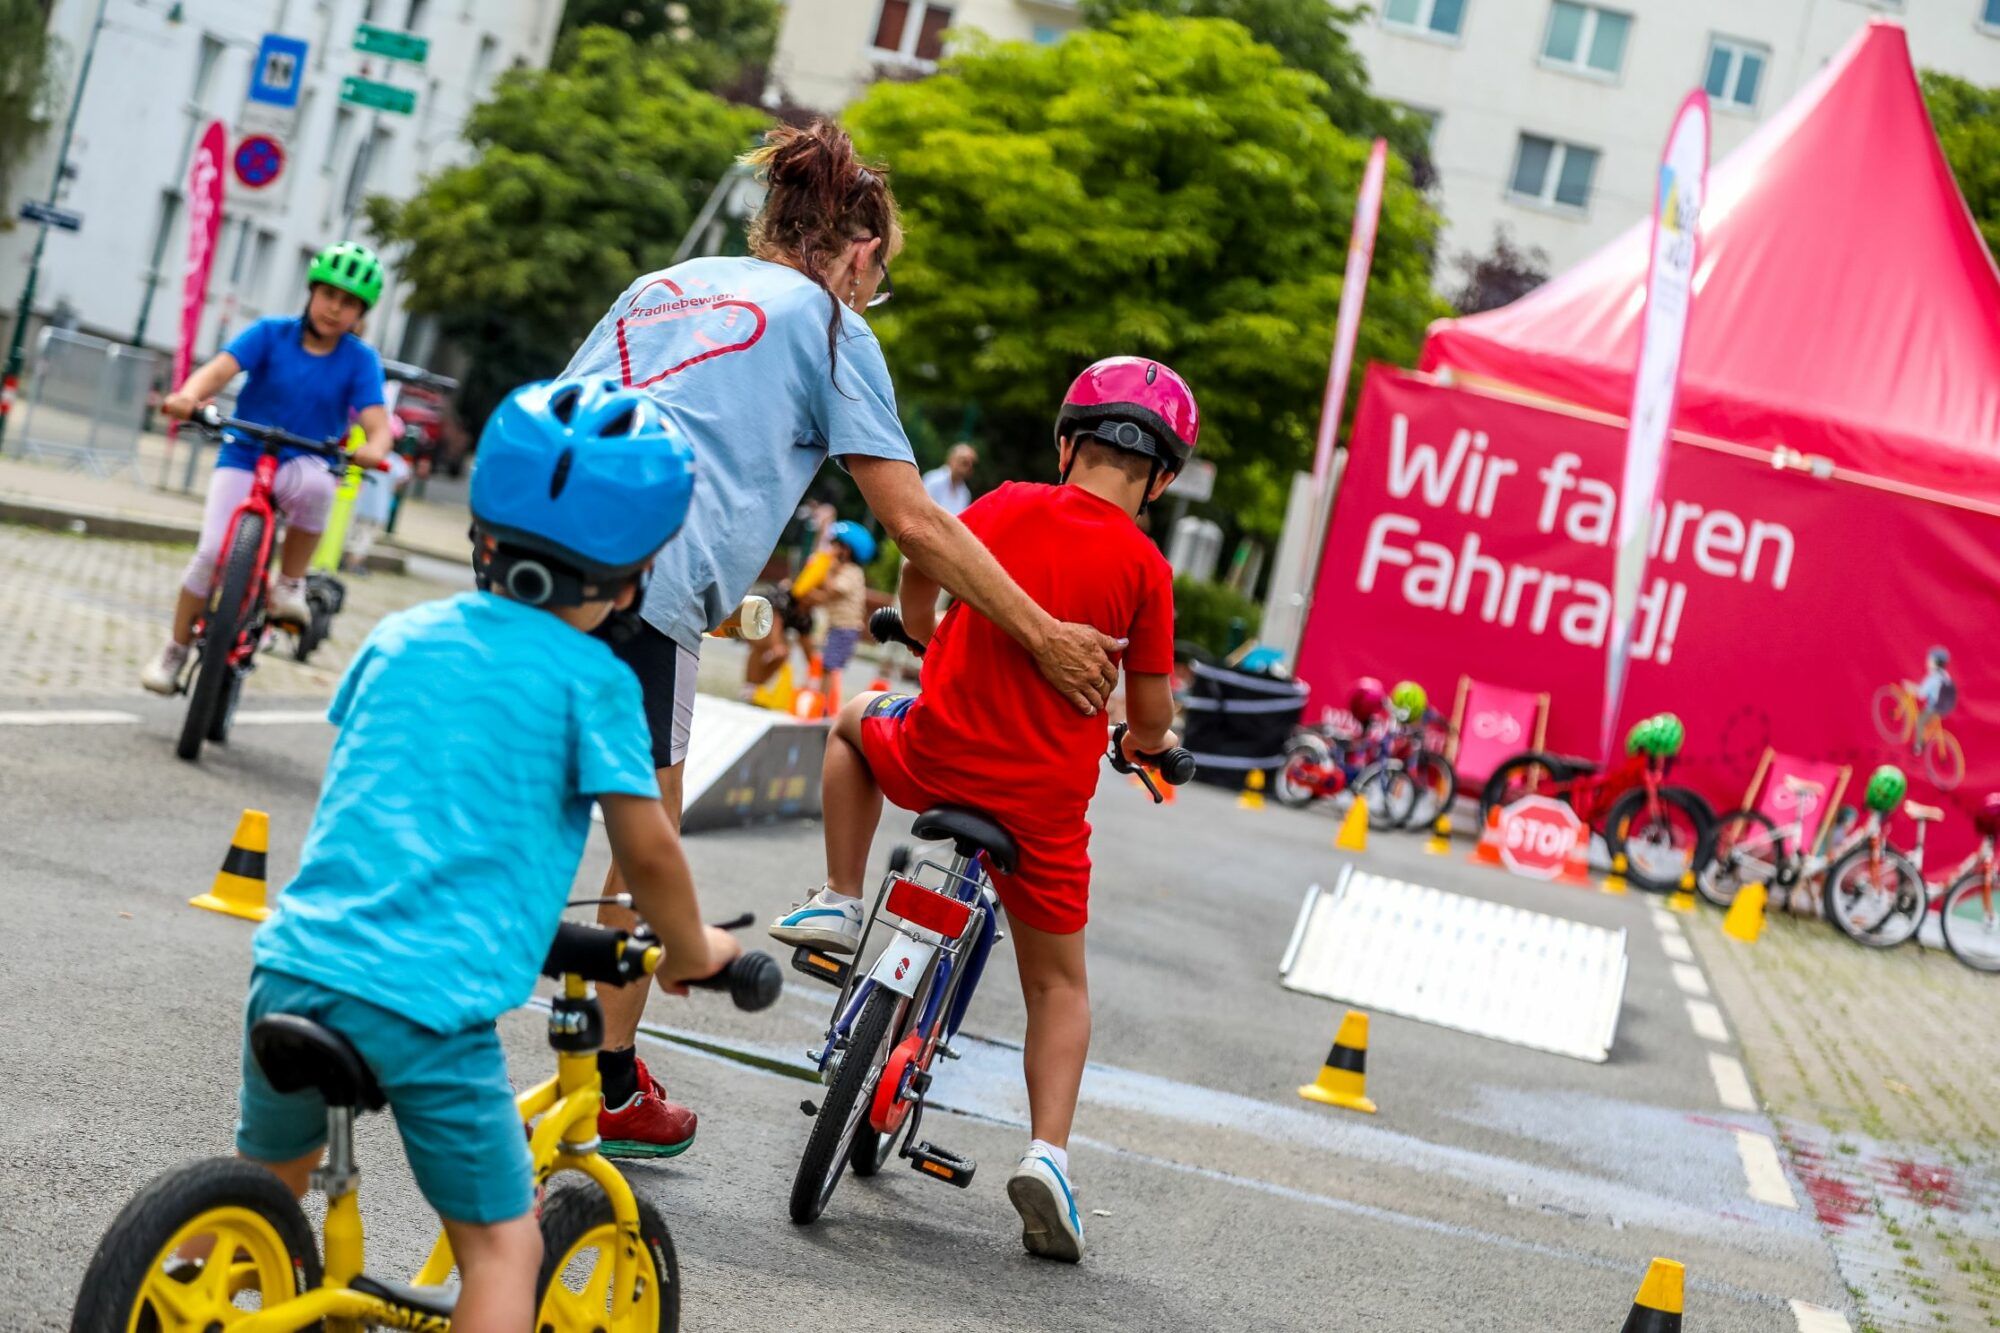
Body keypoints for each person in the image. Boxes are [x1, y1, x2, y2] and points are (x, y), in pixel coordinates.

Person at [555, 119, 1125, 1158]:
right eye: (879, 280)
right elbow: (913, 520)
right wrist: (1043, 636)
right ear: (857, 255)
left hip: (530, 551)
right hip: (648, 581)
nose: (871, 298)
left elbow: (560, 408)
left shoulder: (661, 285)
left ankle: (593, 1064)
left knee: (527, 798)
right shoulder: (828, 326)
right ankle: (596, 1086)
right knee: (640, 850)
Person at [228, 378, 738, 1331]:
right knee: (506, 1245)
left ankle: (196, 1278)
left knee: (267, 1189)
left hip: (293, 968)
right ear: (632, 583)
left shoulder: (399, 636)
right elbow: (649, 848)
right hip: (425, 1007)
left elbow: (387, 786)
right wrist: (698, 947)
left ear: (481, 536)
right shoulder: (597, 683)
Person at [771, 356, 1199, 1263]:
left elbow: (922, 562)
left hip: (934, 755)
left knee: (849, 731)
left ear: (1066, 441)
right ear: (1161, 477)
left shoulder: (1001, 505)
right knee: (1059, 986)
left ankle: (842, 900)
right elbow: (1152, 715)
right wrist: (1150, 746)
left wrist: (925, 630)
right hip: (1040, 811)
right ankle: (1047, 1156)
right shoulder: (1147, 569)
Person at [142, 242, 395, 694]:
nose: (335, 309)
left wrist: (374, 447)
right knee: (208, 555)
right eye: (329, 295)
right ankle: (175, 650)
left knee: (320, 486)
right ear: (312, 292)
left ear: (361, 313)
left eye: (349, 303)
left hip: (303, 461)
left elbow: (377, 422)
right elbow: (219, 371)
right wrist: (187, 396)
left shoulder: (360, 360)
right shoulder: (270, 333)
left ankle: (289, 586)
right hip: (243, 454)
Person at [799, 518, 875, 709]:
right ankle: (823, 704)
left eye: (836, 545)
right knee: (828, 665)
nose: (831, 548)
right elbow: (823, 596)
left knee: (830, 667)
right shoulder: (840, 569)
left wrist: (826, 569)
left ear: (847, 550)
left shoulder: (852, 572)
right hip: (837, 627)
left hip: (846, 628)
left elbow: (832, 591)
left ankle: (824, 707)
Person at [1914, 645, 1956, 756]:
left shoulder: (1932, 678)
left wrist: (1911, 687)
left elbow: (1921, 694)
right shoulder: (1946, 675)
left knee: (1920, 720)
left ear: (1934, 663)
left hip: (1934, 708)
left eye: (1929, 660)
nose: (1927, 662)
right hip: (1945, 707)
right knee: (1931, 720)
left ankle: (1918, 746)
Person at [922, 442, 977, 516]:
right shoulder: (933, 480)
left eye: (971, 464)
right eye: (964, 461)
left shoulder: (965, 494)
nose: (968, 467)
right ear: (951, 459)